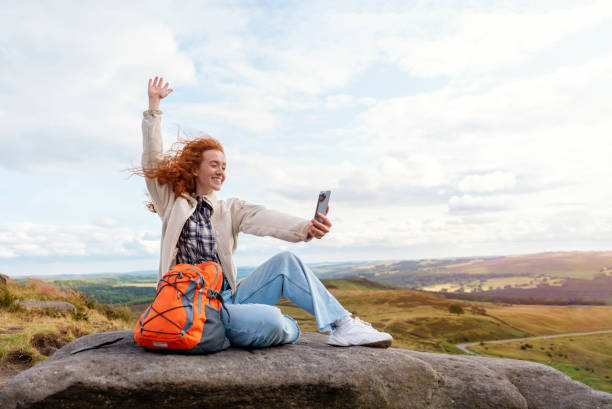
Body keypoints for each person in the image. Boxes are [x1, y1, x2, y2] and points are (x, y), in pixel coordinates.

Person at [136, 76, 392, 349]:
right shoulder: (172, 203)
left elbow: (263, 217)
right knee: (273, 322)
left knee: (285, 263)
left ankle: (343, 326)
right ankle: (271, 327)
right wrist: (154, 109)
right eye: (214, 165)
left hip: (226, 301)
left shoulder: (228, 209)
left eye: (224, 166)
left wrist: (305, 227)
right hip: (185, 303)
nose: (221, 171)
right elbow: (152, 164)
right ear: (195, 169)